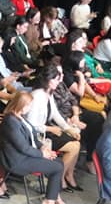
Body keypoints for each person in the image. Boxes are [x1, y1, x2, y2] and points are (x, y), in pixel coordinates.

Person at [0, 92, 68, 204]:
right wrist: (42, 154)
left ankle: (54, 194)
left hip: (27, 156)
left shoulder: (20, 118)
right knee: (56, 168)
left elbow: (33, 138)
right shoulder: (10, 121)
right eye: (28, 105)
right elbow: (23, 147)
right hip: (17, 161)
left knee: (59, 162)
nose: (30, 107)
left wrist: (43, 147)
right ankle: (49, 202)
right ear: (21, 104)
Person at [23, 65, 83, 194]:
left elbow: (55, 114)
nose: (58, 82)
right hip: (35, 136)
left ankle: (66, 175)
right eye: (56, 79)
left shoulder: (47, 93)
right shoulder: (37, 96)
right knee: (74, 147)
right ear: (49, 80)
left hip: (45, 131)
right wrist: (50, 128)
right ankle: (57, 177)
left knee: (76, 141)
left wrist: (68, 129)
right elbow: (30, 124)